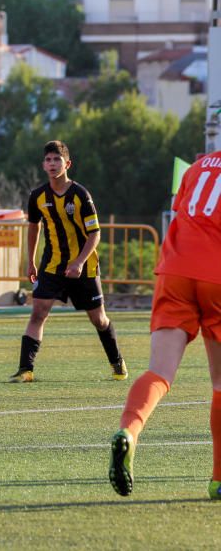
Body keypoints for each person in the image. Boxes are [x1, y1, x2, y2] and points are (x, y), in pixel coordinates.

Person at [109, 149, 221, 499]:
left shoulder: (200, 164)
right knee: (220, 383)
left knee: (160, 371)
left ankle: (129, 433)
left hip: (174, 271)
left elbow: (184, 213)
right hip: (216, 275)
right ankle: (218, 478)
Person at [9, 140, 127, 383]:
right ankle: (25, 369)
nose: (52, 164)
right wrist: (30, 261)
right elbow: (34, 228)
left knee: (99, 319)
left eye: (57, 160)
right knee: (38, 312)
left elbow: (95, 233)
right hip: (52, 265)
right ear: (43, 165)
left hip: (84, 267)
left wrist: (80, 262)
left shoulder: (81, 195)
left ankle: (117, 363)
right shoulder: (37, 196)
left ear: (67, 164)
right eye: (48, 160)